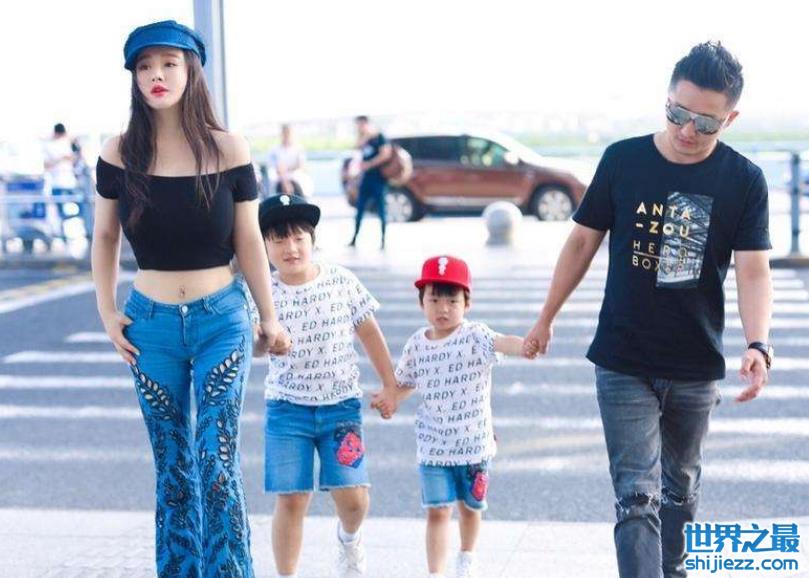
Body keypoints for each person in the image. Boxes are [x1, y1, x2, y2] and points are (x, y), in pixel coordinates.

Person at [523, 41, 773, 578]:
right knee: (637, 495)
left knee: (680, 488)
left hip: (695, 363)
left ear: (730, 119)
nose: (687, 130)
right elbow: (581, 242)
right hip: (623, 359)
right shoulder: (623, 160)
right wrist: (546, 317)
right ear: (667, 98)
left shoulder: (744, 180)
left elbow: (753, 270)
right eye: (677, 113)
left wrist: (758, 343)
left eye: (704, 122)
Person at [91, 20, 291, 578]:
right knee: (172, 464)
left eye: (169, 63)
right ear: (134, 76)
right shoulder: (118, 152)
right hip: (149, 324)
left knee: (216, 458)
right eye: (145, 66)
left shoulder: (229, 148)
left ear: (191, 70)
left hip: (220, 319)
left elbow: (248, 239)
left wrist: (269, 317)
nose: (156, 75)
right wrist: (107, 312)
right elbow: (104, 237)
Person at [256, 193, 399, 578]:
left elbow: (370, 333)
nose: (290, 248)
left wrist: (390, 385)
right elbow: (253, 345)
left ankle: (349, 539)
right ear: (263, 246)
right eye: (279, 239)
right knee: (291, 498)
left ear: (312, 240)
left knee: (353, 498)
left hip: (340, 407)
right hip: (287, 410)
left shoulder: (341, 280)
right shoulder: (262, 292)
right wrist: (267, 340)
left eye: (298, 237)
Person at [373, 255, 529, 578]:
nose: (443, 308)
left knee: (470, 508)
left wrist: (527, 345)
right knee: (437, 511)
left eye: (452, 300)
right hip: (433, 445)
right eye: (434, 300)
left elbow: (503, 342)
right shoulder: (417, 345)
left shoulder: (475, 336)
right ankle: (436, 572)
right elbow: (406, 383)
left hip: (473, 445)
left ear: (467, 303)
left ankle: (467, 556)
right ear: (421, 302)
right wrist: (391, 399)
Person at [348, 115, 391, 250]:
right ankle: (354, 238)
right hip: (365, 179)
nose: (359, 127)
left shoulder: (379, 137)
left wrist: (370, 164)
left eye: (361, 124)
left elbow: (385, 154)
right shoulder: (364, 139)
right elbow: (355, 149)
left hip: (379, 179)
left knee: (381, 210)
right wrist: (364, 137)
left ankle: (383, 240)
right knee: (359, 209)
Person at [43, 123, 78, 236]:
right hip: (57, 184)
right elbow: (46, 165)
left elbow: (75, 158)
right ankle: (63, 235)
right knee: (61, 212)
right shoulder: (49, 146)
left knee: (79, 209)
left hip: (70, 183)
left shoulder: (68, 143)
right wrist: (61, 159)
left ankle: (71, 232)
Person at [267, 123, 309, 197]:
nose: (286, 136)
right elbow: (278, 168)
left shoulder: (298, 149)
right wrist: (285, 183)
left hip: (296, 178)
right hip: (280, 179)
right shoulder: (275, 150)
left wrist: (288, 169)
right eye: (284, 133)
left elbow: (301, 165)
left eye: (288, 133)